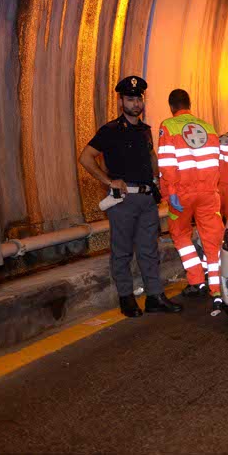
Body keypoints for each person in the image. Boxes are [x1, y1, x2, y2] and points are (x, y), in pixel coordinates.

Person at [79, 75, 182, 317]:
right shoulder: (110, 130)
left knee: (149, 250)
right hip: (123, 200)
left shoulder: (145, 131)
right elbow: (85, 157)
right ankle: (126, 298)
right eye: (130, 99)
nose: (135, 103)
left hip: (147, 199)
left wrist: (157, 180)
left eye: (138, 99)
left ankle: (155, 296)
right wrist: (108, 181)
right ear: (121, 101)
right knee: (122, 250)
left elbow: (151, 158)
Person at [157, 89, 223, 300]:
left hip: (182, 195)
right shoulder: (208, 127)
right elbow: (216, 161)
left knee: (180, 234)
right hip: (207, 193)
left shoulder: (168, 126)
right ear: (189, 104)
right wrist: (212, 189)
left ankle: (196, 281)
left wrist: (171, 192)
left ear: (171, 106)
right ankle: (217, 286)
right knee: (212, 238)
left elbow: (167, 162)